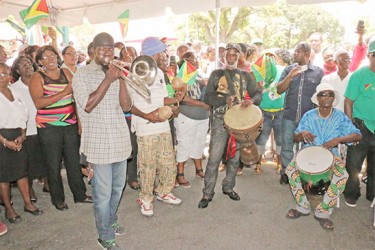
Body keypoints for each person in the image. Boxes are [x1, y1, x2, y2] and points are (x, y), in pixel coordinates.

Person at [73, 32, 132, 250]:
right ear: (93, 50)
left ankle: (110, 219)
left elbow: (126, 107)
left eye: (111, 49)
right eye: (103, 48)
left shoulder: (117, 73)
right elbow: (88, 105)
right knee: (103, 193)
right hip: (98, 145)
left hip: (120, 141)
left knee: (118, 188)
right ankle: (104, 234)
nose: (108, 52)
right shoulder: (82, 75)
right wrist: (108, 79)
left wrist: (122, 79)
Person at [285, 83, 361, 230]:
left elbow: (357, 135)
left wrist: (338, 140)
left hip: (332, 155)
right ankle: (302, 206)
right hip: (308, 152)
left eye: (330, 94)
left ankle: (323, 211)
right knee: (290, 170)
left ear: (333, 99)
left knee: (342, 176)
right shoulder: (309, 115)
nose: (326, 97)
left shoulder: (340, 117)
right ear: (317, 98)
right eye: (323, 94)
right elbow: (295, 138)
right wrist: (302, 135)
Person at [198, 43, 262, 209]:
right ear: (224, 56)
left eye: (235, 55)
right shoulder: (216, 74)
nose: (232, 58)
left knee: (234, 159)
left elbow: (257, 94)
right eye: (229, 55)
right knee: (214, 159)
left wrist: (251, 101)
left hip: (239, 123)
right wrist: (222, 100)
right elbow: (207, 98)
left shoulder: (246, 75)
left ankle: (228, 187)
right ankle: (207, 193)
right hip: (220, 121)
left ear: (240, 56)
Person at [29, 45, 91, 211]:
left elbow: (75, 98)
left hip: (69, 125)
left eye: (52, 56)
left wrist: (79, 122)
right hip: (49, 128)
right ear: (40, 61)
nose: (50, 59)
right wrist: (63, 92)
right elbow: (39, 103)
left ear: (58, 57)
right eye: (45, 57)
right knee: (53, 164)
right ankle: (58, 199)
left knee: (73, 162)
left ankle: (80, 195)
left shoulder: (67, 73)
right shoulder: (37, 77)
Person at [130, 37, 184, 217]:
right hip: (146, 127)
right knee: (147, 165)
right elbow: (129, 103)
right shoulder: (136, 71)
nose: (165, 55)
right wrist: (147, 115)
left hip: (162, 126)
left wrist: (177, 98)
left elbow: (161, 99)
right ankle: (145, 198)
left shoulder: (160, 73)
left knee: (168, 162)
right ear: (153, 53)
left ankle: (163, 191)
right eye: (163, 51)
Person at [0, 62, 43, 224]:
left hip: (18, 135)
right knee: (3, 177)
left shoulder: (14, 92)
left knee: (22, 173)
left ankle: (28, 204)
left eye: (5, 73)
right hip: (2, 137)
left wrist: (23, 134)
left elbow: (24, 114)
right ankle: (9, 209)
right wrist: (5, 141)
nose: (3, 77)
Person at [277, 42, 324, 185]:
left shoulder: (318, 72)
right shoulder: (288, 70)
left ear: (306, 54)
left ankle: (304, 176)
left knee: (307, 147)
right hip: (289, 116)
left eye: (297, 51)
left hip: (308, 119)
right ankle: (286, 172)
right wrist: (290, 76)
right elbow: (279, 90)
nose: (293, 54)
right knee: (286, 146)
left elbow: (321, 95)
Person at [11, 56, 48, 202]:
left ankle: (47, 183)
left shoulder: (41, 82)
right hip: (27, 130)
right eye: (22, 65)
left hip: (44, 125)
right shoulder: (14, 88)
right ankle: (30, 189)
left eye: (28, 63)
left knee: (46, 158)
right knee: (28, 163)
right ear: (17, 71)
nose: (27, 66)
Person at [343, 40, 375, 207]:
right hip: (361, 126)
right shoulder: (359, 75)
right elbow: (348, 101)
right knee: (354, 165)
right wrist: (351, 127)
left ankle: (372, 195)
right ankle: (352, 193)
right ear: (369, 56)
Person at [174, 52, 210, 188]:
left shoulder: (200, 75)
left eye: (195, 59)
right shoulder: (180, 78)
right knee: (185, 144)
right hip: (186, 117)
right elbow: (180, 98)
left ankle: (199, 169)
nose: (195, 62)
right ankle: (180, 174)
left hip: (202, 117)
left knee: (199, 143)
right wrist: (203, 104)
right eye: (191, 60)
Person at [253, 50, 291, 174]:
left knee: (280, 139)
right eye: (266, 57)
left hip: (280, 112)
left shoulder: (283, 70)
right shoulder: (259, 72)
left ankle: (279, 163)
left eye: (271, 57)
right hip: (264, 112)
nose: (269, 59)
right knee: (261, 139)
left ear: (275, 58)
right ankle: (258, 163)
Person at [119, 46, 140, 190]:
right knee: (127, 148)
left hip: (138, 115)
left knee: (136, 148)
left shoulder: (141, 72)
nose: (129, 57)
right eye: (126, 55)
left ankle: (133, 176)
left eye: (132, 55)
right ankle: (125, 177)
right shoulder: (118, 72)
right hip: (124, 117)